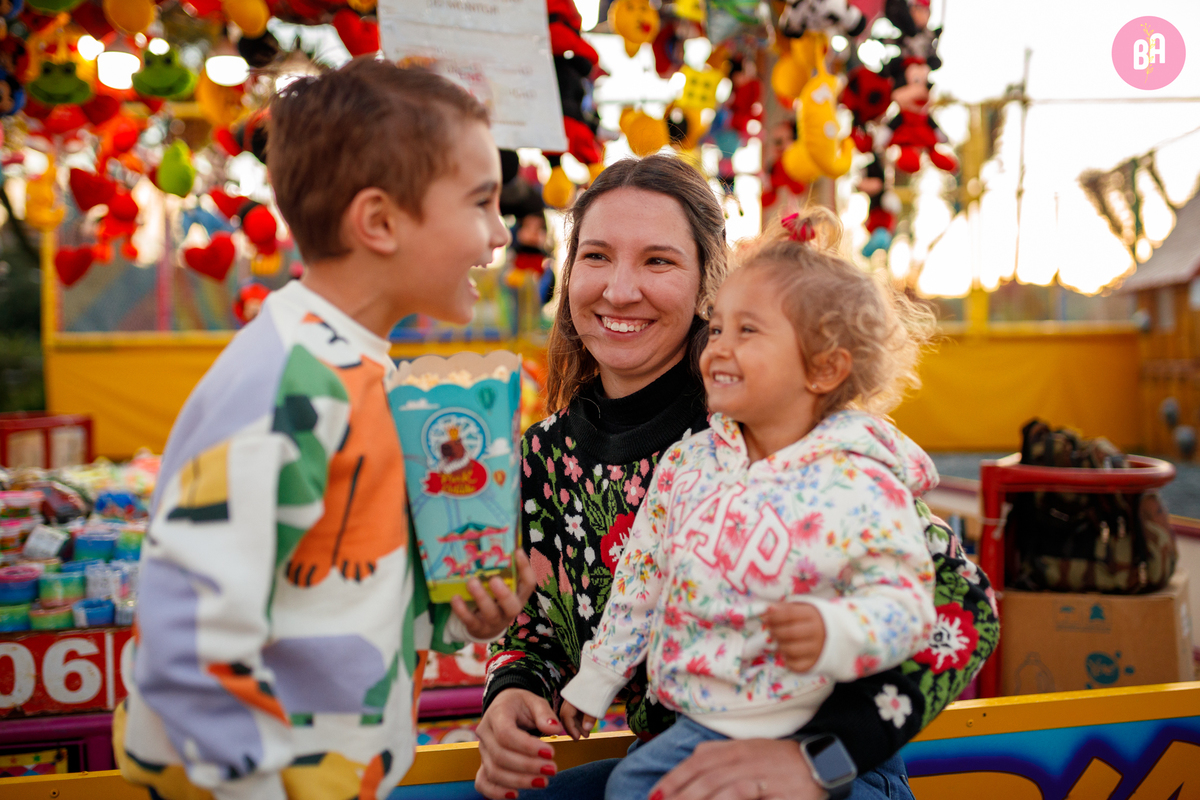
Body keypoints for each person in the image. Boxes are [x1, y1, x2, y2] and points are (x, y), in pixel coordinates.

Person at [475, 154, 998, 800]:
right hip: (677, 755)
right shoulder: (546, 455)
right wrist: (515, 688)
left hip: (827, 766)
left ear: (707, 286)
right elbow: (539, 622)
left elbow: (961, 607)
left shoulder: (780, 429)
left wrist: (820, 759)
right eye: (597, 256)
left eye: (658, 261)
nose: (618, 289)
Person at [116, 59, 536, 800]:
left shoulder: (357, 370)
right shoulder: (287, 384)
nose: (500, 234)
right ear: (378, 221)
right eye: (480, 203)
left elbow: (344, 575)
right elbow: (186, 643)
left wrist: (455, 610)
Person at [557, 210, 939, 799]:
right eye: (718, 329)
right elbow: (642, 580)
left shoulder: (858, 477)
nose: (718, 349)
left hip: (816, 730)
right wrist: (597, 677)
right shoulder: (688, 466)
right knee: (633, 788)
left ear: (826, 367)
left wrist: (835, 630)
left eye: (748, 332)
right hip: (703, 720)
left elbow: (908, 602)